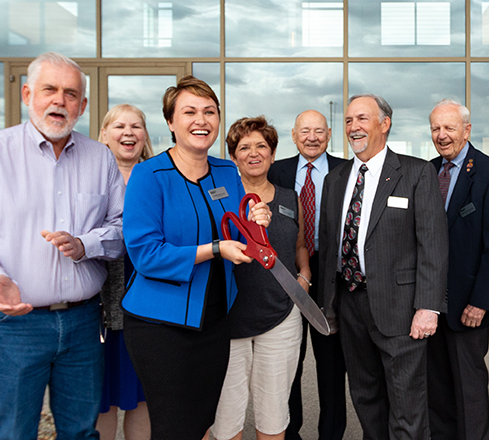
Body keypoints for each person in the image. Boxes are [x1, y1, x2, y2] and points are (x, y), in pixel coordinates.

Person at [0, 52, 125, 439]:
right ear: (27, 94)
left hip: (83, 323)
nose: (60, 101)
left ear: (83, 105)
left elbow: (121, 229)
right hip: (13, 326)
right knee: (12, 433)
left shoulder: (100, 157)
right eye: (49, 90)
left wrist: (84, 244)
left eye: (71, 94)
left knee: (81, 433)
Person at [119, 75, 272, 440]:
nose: (201, 120)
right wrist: (215, 248)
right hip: (160, 324)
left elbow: (236, 235)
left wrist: (254, 222)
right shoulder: (148, 175)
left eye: (209, 111)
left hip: (214, 320)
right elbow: (145, 254)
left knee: (202, 420)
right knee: (174, 427)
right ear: (171, 122)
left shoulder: (225, 171)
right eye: (189, 112)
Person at [318, 93, 447, 439]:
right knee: (365, 396)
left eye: (362, 119)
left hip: (402, 309)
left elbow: (433, 245)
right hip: (350, 305)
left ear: (384, 124)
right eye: (348, 121)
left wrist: (428, 308)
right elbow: (329, 246)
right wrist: (328, 306)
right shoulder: (336, 179)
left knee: (407, 403)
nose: (354, 127)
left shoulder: (416, 173)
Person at [210, 116, 311, 440]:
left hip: (280, 317)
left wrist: (305, 275)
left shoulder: (289, 197)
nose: (253, 153)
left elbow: (299, 245)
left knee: (273, 416)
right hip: (228, 320)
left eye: (261, 146)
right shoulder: (219, 198)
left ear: (272, 152)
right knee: (226, 420)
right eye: (244, 147)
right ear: (233, 156)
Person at [425, 99, 489, 440]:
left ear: (467, 130)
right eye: (435, 128)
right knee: (437, 389)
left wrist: (482, 300)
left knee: (470, 389)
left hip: (468, 304)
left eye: (449, 128)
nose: (442, 135)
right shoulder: (427, 171)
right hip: (431, 304)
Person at [267, 109, 348, 440]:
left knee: (332, 368)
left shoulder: (348, 170)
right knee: (289, 365)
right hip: (288, 282)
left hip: (332, 283)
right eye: (305, 131)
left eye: (319, 131)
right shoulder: (275, 171)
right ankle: (291, 432)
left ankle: (331, 433)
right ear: (293, 134)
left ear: (329, 135)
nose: (312, 137)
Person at [96, 103, 154, 440]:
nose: (128, 133)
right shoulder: (89, 174)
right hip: (99, 309)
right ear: (104, 134)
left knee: (142, 397)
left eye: (136, 126)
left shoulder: (157, 176)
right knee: (102, 400)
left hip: (146, 306)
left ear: (144, 135)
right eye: (119, 126)